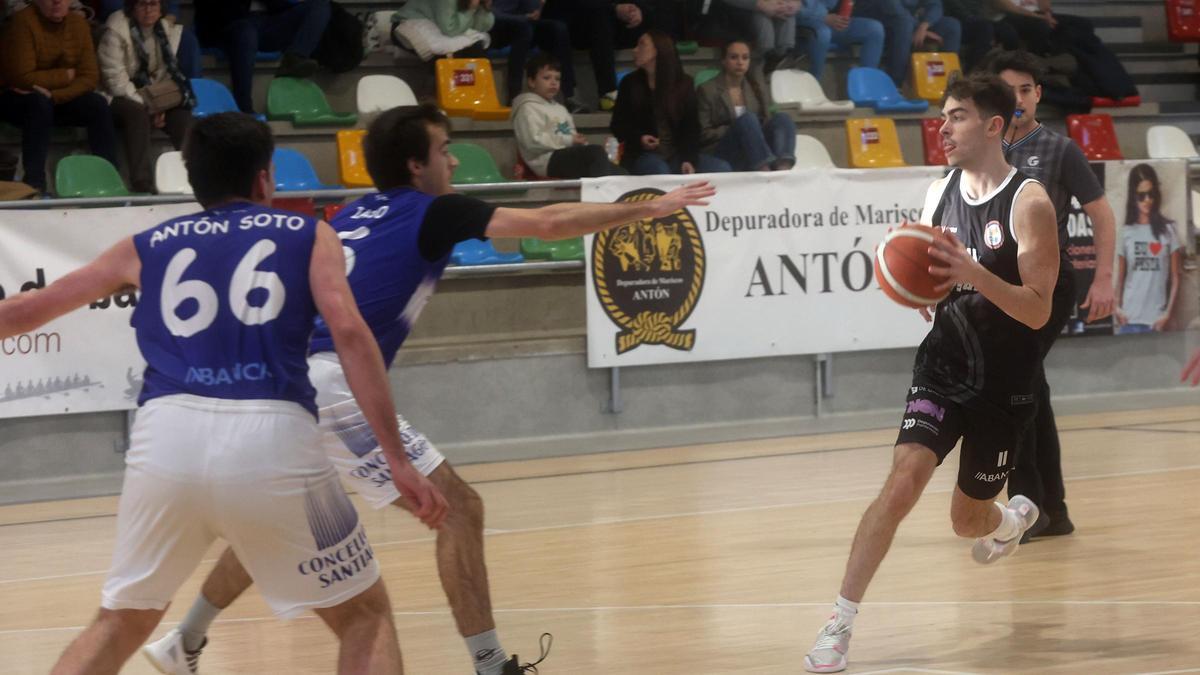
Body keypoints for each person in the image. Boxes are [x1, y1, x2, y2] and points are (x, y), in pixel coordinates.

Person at [141, 103, 716, 675]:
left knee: (282, 520)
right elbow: (547, 222)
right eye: (444, 151)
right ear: (417, 166)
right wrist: (649, 208)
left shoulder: (349, 215)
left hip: (285, 382)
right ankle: (491, 666)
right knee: (459, 509)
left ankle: (184, 639)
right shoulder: (434, 211)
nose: (454, 162)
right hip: (332, 384)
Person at [0, 112, 447, 675]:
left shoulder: (145, 245)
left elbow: (21, 313)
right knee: (365, 616)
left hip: (165, 440)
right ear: (263, 178)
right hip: (270, 435)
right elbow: (352, 336)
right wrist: (397, 459)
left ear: (195, 179)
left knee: (120, 622)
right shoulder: (309, 234)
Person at [803, 72, 1060, 673]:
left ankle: (1008, 520)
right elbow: (934, 274)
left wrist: (972, 273)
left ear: (993, 126)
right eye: (943, 117)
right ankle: (839, 624)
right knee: (902, 482)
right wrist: (921, 286)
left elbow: (1037, 309)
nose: (942, 128)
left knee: (966, 521)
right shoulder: (938, 192)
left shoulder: (1030, 203)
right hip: (942, 365)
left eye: (957, 117)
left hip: (1005, 386)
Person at [989, 50, 1116, 542]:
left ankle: (1027, 508)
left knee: (1013, 384)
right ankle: (1052, 510)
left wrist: (1103, 278)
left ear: (1038, 94)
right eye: (1009, 91)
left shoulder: (1060, 150)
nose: (1018, 99)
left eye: (1026, 89)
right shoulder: (985, 148)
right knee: (1030, 389)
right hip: (1003, 286)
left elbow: (1101, 213)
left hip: (1048, 283)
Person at [0, 0, 120, 194]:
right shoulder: (22, 22)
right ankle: (34, 185)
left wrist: (55, 95)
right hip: (17, 98)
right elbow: (22, 77)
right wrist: (66, 75)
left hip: (55, 98)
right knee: (38, 104)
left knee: (97, 105)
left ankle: (109, 181)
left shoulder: (79, 24)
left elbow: (89, 78)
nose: (57, 2)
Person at [98, 0, 195, 193]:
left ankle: (192, 175)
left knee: (181, 115)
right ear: (132, 8)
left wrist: (160, 105)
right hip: (116, 96)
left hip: (152, 96)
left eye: (153, 4)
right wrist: (151, 106)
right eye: (142, 4)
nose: (148, 10)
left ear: (161, 8)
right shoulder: (115, 30)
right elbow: (115, 81)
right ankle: (142, 182)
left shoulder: (166, 30)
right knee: (136, 112)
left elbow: (166, 75)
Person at [610, 30, 731, 175]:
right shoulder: (630, 83)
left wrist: (688, 159)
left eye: (641, 45)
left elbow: (691, 127)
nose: (634, 50)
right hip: (642, 155)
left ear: (657, 51)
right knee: (659, 169)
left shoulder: (684, 83)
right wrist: (639, 138)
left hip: (676, 154)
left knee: (721, 167)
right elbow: (618, 125)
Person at [193, 0, 332, 113]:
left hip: (266, 23)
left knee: (319, 6)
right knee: (246, 32)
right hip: (227, 25)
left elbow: (278, 5)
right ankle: (243, 107)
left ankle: (295, 57)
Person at [512, 53, 627, 178]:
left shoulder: (561, 109)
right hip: (546, 161)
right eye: (547, 78)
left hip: (566, 155)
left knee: (621, 173)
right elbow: (533, 141)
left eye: (557, 79)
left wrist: (578, 142)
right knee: (595, 153)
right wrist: (569, 140)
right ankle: (598, 190)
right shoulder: (527, 107)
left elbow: (571, 136)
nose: (553, 83)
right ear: (532, 82)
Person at [697, 40, 796, 171]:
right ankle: (764, 170)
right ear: (723, 61)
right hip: (723, 149)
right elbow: (703, 133)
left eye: (745, 58)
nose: (740, 62)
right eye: (734, 57)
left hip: (754, 147)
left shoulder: (755, 86)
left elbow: (766, 121)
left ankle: (782, 169)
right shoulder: (707, 89)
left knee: (782, 118)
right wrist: (736, 127)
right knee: (747, 120)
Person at [542, 0, 647, 111]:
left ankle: (651, 91)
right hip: (572, 21)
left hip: (608, 22)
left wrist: (633, 10)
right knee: (600, 14)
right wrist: (614, 8)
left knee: (648, 13)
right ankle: (608, 93)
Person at [1116, 163, 1183, 335]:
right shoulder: (1126, 232)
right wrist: (1117, 307)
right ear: (1133, 196)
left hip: (1156, 322)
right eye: (1141, 195)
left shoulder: (1169, 230)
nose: (1147, 200)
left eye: (1151, 194)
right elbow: (1121, 278)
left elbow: (1176, 278)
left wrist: (1167, 314)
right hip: (1129, 320)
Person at [490, 0, 579, 108]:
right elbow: (491, 12)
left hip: (529, 23)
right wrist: (524, 17)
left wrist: (539, 8)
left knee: (558, 29)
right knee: (524, 29)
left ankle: (569, 96)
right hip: (500, 27)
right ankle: (514, 96)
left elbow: (533, 10)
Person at [794, 0, 885, 80]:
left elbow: (830, 4)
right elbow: (793, 6)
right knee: (823, 33)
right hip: (804, 20)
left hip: (831, 18)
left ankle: (868, 85)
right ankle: (813, 80)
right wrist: (823, 17)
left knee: (874, 29)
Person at [716, 0, 801, 73]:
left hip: (772, 9)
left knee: (788, 13)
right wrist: (759, 4)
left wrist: (794, 3)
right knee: (761, 15)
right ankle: (770, 57)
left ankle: (784, 55)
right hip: (740, 10)